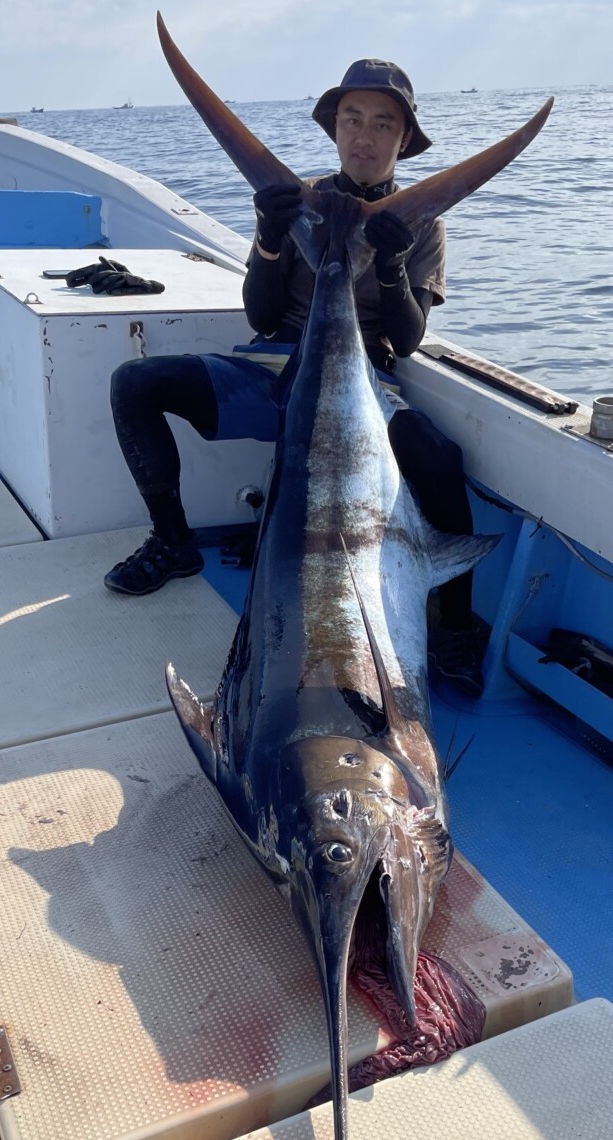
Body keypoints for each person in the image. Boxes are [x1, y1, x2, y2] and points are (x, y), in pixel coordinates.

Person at [104, 59, 485, 697]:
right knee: (135, 384)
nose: (364, 136)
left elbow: (408, 338)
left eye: (382, 124)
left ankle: (453, 627)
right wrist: (271, 237)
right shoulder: (293, 201)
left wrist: (389, 266)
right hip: (276, 363)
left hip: (365, 377)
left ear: (403, 139)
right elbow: (259, 312)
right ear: (335, 129)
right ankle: (173, 543)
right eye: (352, 119)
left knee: (440, 460)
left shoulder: (423, 223)